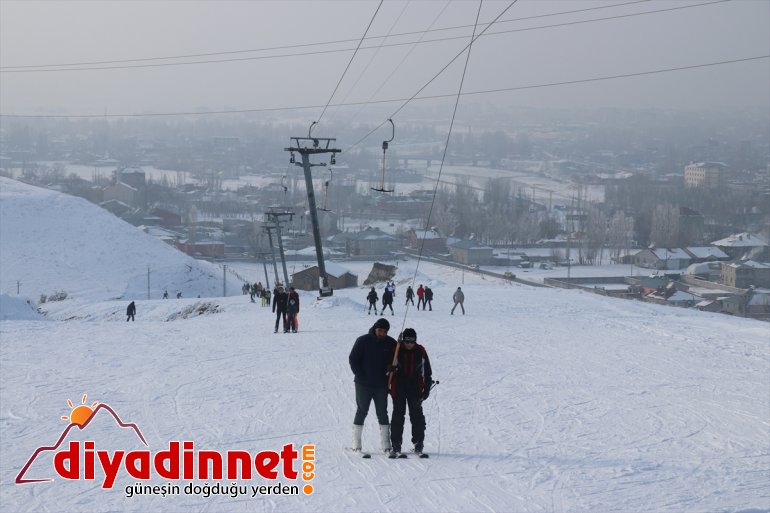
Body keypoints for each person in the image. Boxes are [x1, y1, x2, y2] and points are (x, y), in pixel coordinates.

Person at [349, 318, 397, 454]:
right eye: (380, 330)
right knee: (362, 410)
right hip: (363, 384)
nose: (382, 333)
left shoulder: (391, 343)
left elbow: (396, 360)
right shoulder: (363, 340)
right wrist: (360, 374)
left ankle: (386, 445)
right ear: (375, 328)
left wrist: (393, 368)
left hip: (381, 385)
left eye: (385, 332)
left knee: (382, 412)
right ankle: (356, 444)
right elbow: (353, 359)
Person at [389, 328, 432, 457]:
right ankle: (396, 444)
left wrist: (426, 389)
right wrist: (390, 368)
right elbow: (388, 366)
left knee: (417, 416)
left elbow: (427, 371)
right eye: (407, 341)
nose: (409, 344)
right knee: (398, 416)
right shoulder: (397, 349)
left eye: (412, 341)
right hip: (399, 387)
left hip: (415, 388)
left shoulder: (421, 351)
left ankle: (418, 443)